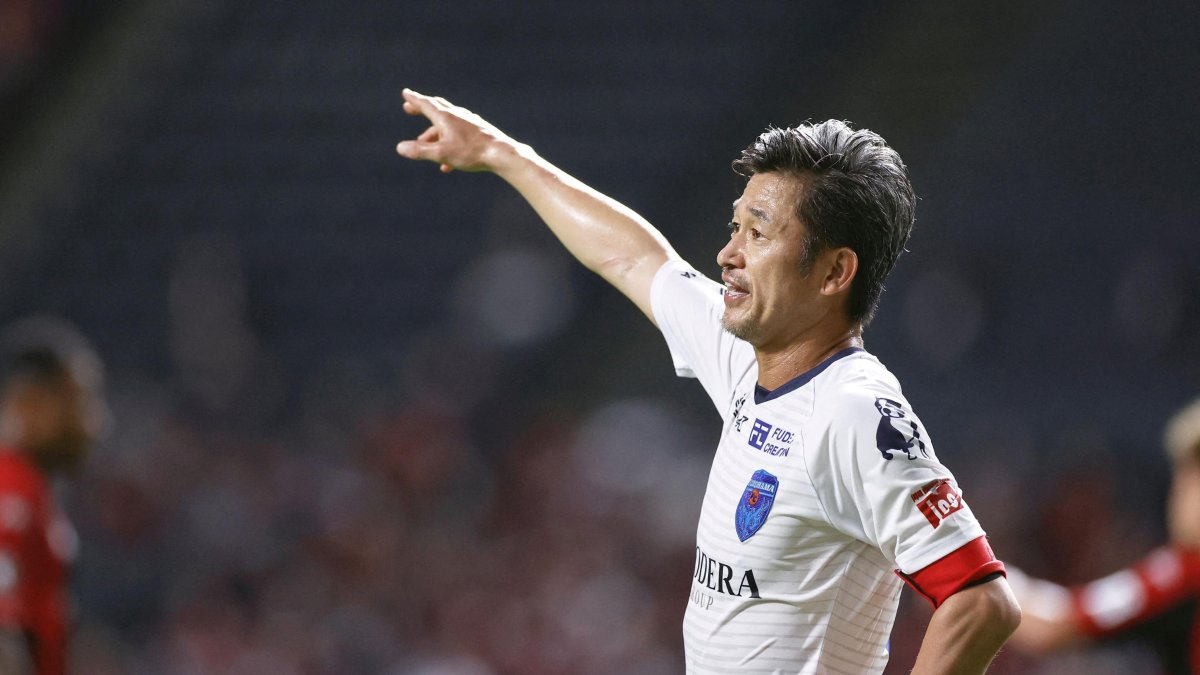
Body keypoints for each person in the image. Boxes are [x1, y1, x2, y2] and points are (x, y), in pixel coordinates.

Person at [395, 88, 1019, 674]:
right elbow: (633, 257)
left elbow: (981, 601)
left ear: (834, 273)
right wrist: (502, 154)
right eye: (734, 227)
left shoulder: (853, 411)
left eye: (759, 233)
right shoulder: (747, 354)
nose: (728, 254)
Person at [1006, 397, 1200, 674]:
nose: (1179, 495)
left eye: (1188, 477)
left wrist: (977, 568)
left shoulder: (1184, 570)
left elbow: (1054, 624)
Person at [0, 317, 107, 675]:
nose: (94, 424)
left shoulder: (31, 491)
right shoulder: (12, 492)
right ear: (33, 404)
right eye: (80, 401)